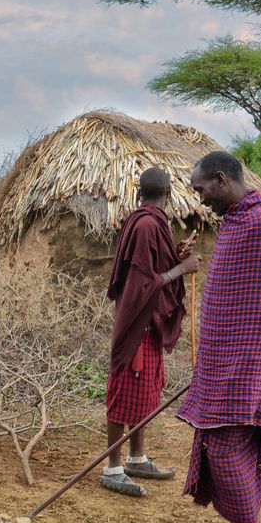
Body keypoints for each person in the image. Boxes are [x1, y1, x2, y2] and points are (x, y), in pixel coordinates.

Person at [179, 151, 261, 523]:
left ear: (222, 180)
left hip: (251, 363)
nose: (200, 199)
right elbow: (229, 297)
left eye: (201, 189)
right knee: (223, 446)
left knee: (227, 450)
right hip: (227, 360)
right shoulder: (238, 219)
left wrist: (234, 366)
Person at [99, 167, 200, 496]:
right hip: (137, 325)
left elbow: (155, 266)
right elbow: (143, 284)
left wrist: (176, 255)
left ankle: (136, 458)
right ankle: (113, 468)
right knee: (125, 392)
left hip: (148, 323)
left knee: (144, 393)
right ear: (169, 193)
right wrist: (182, 268)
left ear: (141, 192)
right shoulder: (145, 224)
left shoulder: (150, 222)